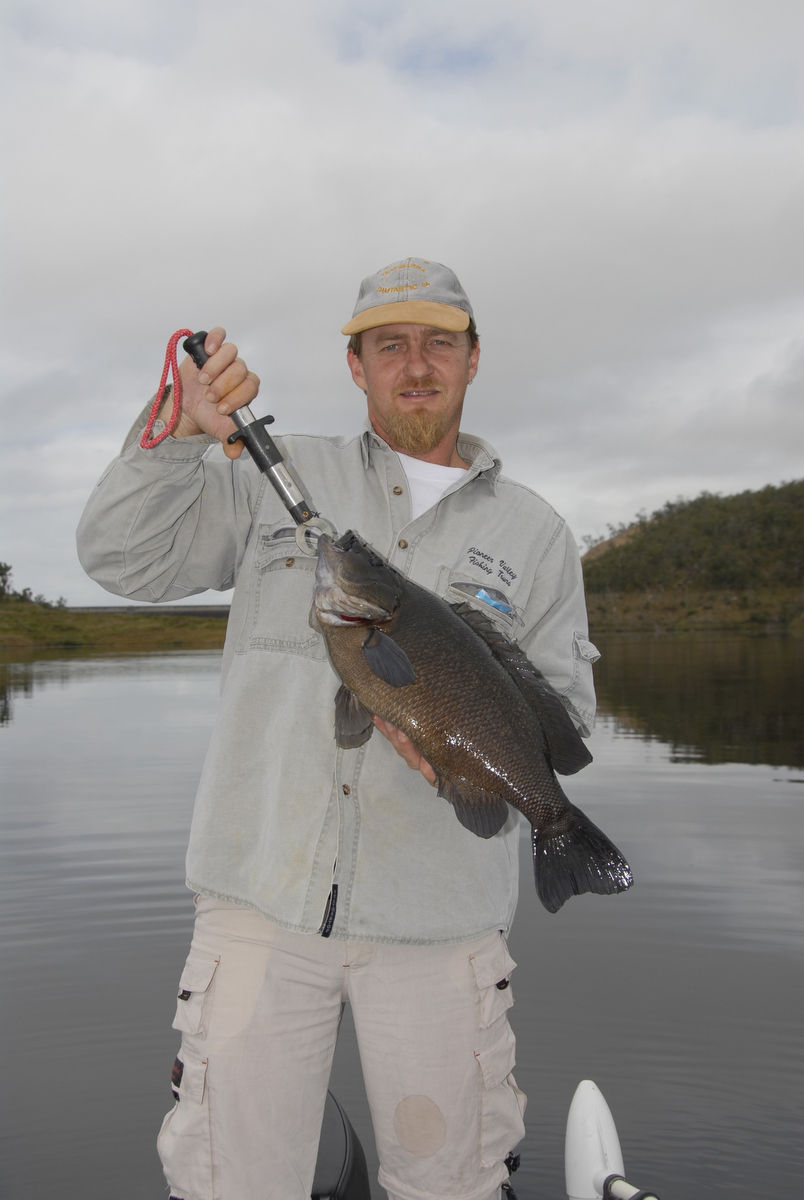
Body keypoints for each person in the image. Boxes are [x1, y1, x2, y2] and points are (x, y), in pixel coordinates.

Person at [77, 258, 599, 1200]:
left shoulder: (538, 534)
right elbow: (122, 559)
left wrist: (479, 765)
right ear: (355, 366)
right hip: (259, 900)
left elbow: (564, 705)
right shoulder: (264, 478)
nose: (416, 364)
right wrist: (178, 439)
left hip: (442, 922)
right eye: (388, 344)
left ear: (474, 359)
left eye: (439, 342)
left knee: (452, 1185)